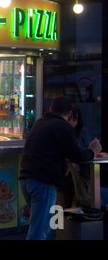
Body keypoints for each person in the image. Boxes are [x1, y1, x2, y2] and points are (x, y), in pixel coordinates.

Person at [19, 96, 102, 240]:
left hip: (26, 181)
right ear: (69, 113)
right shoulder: (61, 126)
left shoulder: (40, 123)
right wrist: (93, 151)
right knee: (39, 233)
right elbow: (76, 155)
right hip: (43, 182)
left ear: (50, 109)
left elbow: (51, 150)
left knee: (43, 227)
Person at [59, 106, 108, 210]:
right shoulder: (61, 131)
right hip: (66, 176)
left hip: (78, 173)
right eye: (69, 119)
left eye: (74, 120)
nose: (71, 123)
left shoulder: (82, 131)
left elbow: (86, 153)